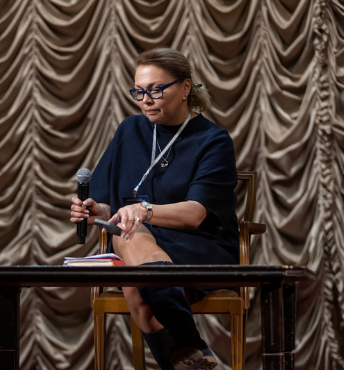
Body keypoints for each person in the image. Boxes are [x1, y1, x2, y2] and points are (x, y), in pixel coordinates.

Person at [70, 47, 239, 370]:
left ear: (186, 88)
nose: (146, 99)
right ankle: (190, 348)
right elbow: (109, 206)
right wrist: (96, 210)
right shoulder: (129, 131)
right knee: (129, 234)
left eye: (156, 90)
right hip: (139, 241)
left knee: (135, 280)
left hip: (198, 246)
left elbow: (195, 215)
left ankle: (187, 343)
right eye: (139, 92)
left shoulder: (213, 140)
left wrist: (143, 211)